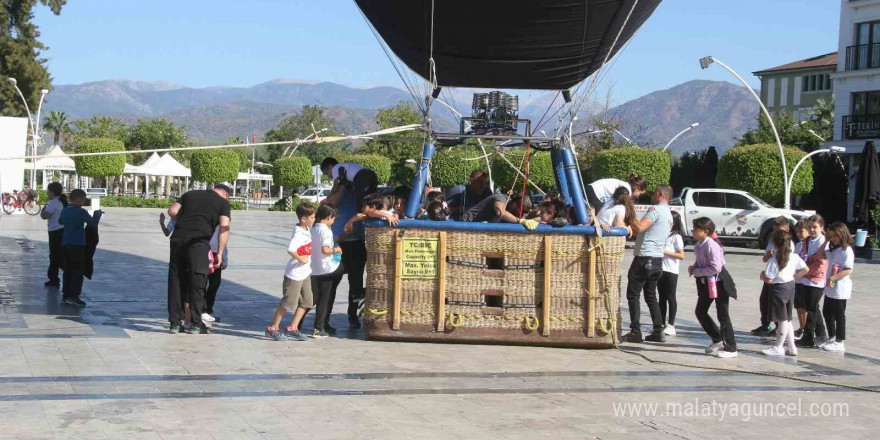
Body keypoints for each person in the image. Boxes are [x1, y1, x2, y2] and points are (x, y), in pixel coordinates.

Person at [166, 184, 231, 334]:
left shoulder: (190, 194)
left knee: (175, 280)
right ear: (225, 194)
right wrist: (219, 252)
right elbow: (224, 227)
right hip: (198, 243)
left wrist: (183, 223)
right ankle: (196, 323)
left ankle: (175, 323)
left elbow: (172, 211)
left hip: (178, 240)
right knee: (198, 281)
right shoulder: (223, 203)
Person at [622, 185, 674, 343]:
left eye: (654, 193)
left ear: (659, 194)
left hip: (645, 257)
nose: (652, 196)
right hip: (657, 258)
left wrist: (629, 213)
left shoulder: (656, 210)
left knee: (633, 294)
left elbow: (639, 227)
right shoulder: (669, 213)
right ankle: (658, 330)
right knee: (651, 295)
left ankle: (635, 331)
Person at [688, 217, 737, 358]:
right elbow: (700, 261)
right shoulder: (698, 245)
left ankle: (731, 347)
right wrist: (694, 267)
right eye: (693, 229)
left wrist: (698, 271)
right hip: (707, 282)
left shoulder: (712, 245)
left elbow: (716, 267)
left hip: (719, 282)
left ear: (706, 231)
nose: (694, 232)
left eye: (696, 229)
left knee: (723, 314)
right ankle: (717, 338)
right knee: (700, 311)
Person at [265, 202, 315, 341]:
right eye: (311, 217)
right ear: (303, 219)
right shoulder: (298, 233)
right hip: (294, 274)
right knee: (288, 303)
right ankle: (273, 328)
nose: (314, 220)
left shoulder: (306, 229)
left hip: (305, 273)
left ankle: (293, 327)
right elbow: (291, 249)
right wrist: (301, 259)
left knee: (307, 301)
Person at [759, 230, 808, 357]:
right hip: (790, 286)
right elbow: (805, 269)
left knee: (782, 319)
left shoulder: (774, 259)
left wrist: (762, 275)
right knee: (787, 318)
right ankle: (792, 347)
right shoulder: (794, 256)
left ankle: (778, 346)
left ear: (775, 244)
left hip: (778, 288)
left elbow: (769, 279)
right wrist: (794, 277)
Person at [58, 189, 102, 307]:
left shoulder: (65, 211)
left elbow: (60, 221)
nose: (83, 201)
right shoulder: (81, 212)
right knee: (78, 271)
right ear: (78, 199)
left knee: (68, 270)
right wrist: (97, 215)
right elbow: (92, 224)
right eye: (83, 199)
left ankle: (66, 295)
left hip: (65, 244)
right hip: (77, 244)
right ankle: (74, 296)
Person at [752, 216, 792, 336]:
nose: (777, 234)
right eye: (775, 231)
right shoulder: (771, 241)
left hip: (779, 278)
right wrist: (768, 256)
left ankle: (779, 326)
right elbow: (765, 259)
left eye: (780, 231)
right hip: (770, 274)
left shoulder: (789, 244)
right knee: (764, 300)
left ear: (787, 230)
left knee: (776, 303)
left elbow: (787, 262)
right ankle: (765, 324)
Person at [817, 223, 854, 353]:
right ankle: (831, 336)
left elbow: (848, 270)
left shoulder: (846, 250)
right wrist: (826, 241)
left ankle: (840, 340)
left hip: (840, 288)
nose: (833, 239)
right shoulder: (833, 249)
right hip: (830, 288)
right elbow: (820, 255)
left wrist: (834, 277)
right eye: (831, 236)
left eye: (835, 236)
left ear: (842, 235)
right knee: (827, 312)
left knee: (839, 315)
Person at [310, 204, 344, 338]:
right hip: (327, 269)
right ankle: (319, 327)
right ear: (329, 217)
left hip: (315, 268)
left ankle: (318, 324)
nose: (334, 221)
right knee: (325, 298)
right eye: (333, 218)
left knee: (320, 297)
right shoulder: (326, 231)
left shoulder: (313, 229)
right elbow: (325, 249)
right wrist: (337, 249)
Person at [796, 215, 829, 348]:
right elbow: (803, 257)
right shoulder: (807, 240)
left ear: (821, 227)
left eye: (815, 227)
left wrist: (805, 270)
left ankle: (809, 337)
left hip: (817, 279)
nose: (812, 230)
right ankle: (821, 334)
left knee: (812, 308)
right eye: (810, 227)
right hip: (805, 278)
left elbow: (821, 263)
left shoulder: (824, 242)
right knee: (812, 306)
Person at [659, 211, 685, 336]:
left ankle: (671, 324)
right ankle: (661, 323)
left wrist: (666, 252)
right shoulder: (663, 234)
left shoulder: (676, 237)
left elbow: (681, 255)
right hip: (661, 269)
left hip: (671, 270)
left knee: (670, 297)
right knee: (661, 297)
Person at [461, 193, 538, 230]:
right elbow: (500, 212)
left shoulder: (513, 212)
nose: (522, 214)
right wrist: (520, 220)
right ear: (514, 204)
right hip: (466, 224)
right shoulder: (501, 198)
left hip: (481, 228)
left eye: (525, 212)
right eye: (522, 211)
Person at [41, 182, 67, 288]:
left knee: (54, 255)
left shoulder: (53, 203)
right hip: (62, 230)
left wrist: (43, 209)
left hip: (55, 232)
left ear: (52, 192)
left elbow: (45, 216)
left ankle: (54, 278)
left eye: (48, 191)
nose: (47, 193)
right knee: (57, 254)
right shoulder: (62, 202)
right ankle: (54, 277)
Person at [205, 225, 229, 322]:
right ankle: (200, 310)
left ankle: (208, 309)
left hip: (216, 254)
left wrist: (224, 258)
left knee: (215, 283)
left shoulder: (221, 218)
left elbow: (224, 240)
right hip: (203, 251)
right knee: (201, 283)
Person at [792, 220, 810, 337]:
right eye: (797, 231)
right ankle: (801, 327)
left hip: (807, 279)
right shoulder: (797, 245)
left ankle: (805, 328)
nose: (799, 233)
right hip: (797, 278)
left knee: (805, 307)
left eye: (801, 231)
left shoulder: (810, 245)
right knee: (798, 306)